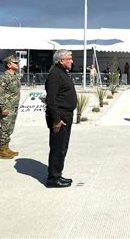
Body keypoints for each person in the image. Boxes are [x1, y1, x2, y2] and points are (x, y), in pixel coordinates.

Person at [45, 50, 77, 188]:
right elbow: (51, 99)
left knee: (63, 147)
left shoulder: (62, 72)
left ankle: (57, 174)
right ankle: (53, 178)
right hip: (60, 117)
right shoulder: (55, 74)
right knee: (58, 148)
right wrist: (56, 120)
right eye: (69, 58)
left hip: (66, 115)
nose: (72, 61)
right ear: (60, 60)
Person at [0, 55, 21, 159]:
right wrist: (3, 107)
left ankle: (6, 148)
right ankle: (1, 151)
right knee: (5, 127)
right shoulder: (5, 76)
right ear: (9, 65)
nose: (17, 64)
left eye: (17, 63)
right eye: (15, 63)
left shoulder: (14, 76)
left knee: (10, 128)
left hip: (13, 106)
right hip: (6, 107)